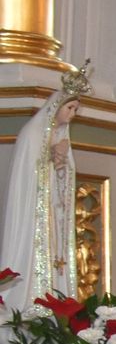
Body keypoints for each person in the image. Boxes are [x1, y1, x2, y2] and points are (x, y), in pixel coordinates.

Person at [0, 62, 90, 314]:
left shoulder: (62, 137)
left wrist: (60, 163)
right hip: (33, 212)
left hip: (53, 211)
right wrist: (50, 157)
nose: (72, 114)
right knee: (32, 254)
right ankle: (29, 302)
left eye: (75, 109)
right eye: (70, 108)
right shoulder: (32, 133)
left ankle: (55, 304)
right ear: (56, 106)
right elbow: (27, 175)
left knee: (55, 258)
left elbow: (64, 176)